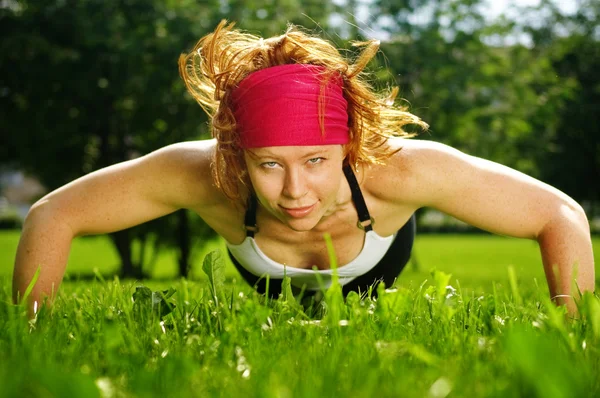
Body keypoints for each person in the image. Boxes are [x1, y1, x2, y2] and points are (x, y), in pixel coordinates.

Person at [13, 21, 594, 315]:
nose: (295, 192)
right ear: (237, 155)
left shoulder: (402, 171)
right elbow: (53, 213)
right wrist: (31, 330)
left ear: (350, 146)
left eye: (317, 160)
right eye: (268, 164)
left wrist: (574, 337)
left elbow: (559, 214)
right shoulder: (201, 173)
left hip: (377, 252)